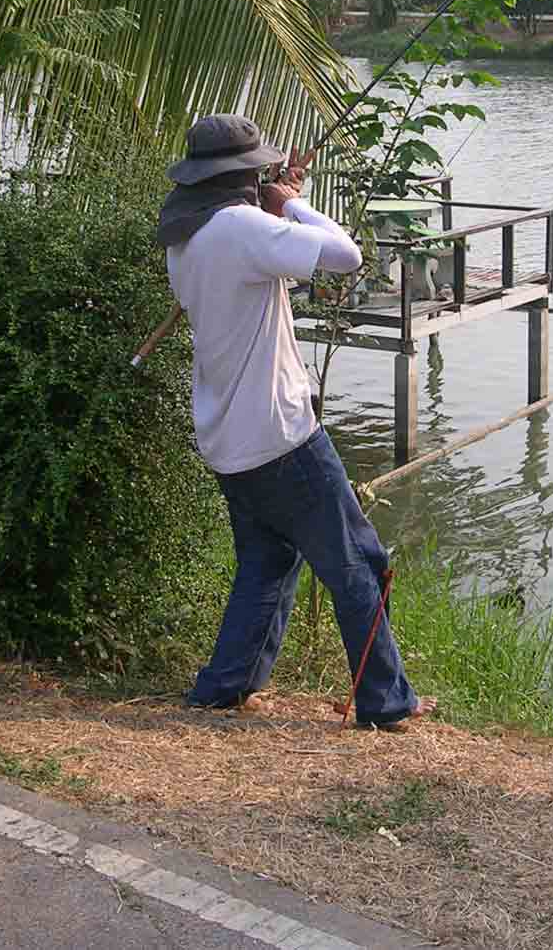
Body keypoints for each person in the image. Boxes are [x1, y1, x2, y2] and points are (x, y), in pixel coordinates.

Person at [158, 113, 435, 730]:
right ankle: (387, 700)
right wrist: (293, 205)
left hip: (229, 441)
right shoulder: (241, 227)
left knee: (266, 563)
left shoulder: (186, 240)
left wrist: (273, 208)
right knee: (359, 564)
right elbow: (345, 255)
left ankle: (223, 688)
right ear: (242, 178)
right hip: (281, 438)